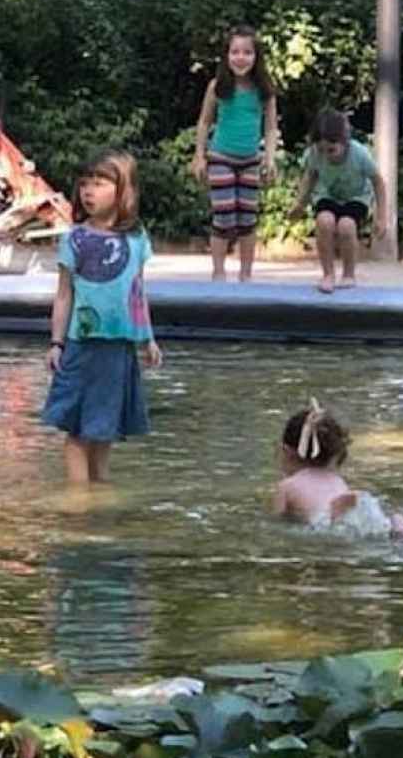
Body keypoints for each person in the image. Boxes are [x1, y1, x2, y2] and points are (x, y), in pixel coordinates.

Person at [40, 151, 162, 483]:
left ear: (123, 191)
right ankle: (79, 494)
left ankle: (101, 484)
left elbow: (138, 292)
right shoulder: (74, 239)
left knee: (105, 428)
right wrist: (57, 343)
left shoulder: (136, 239)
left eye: (99, 183)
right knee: (78, 427)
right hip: (82, 345)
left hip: (120, 347)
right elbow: (64, 294)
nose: (88, 192)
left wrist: (148, 338)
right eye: (84, 185)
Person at [190, 25, 279, 282]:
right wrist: (199, 155)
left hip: (250, 159)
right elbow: (205, 122)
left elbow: (271, 127)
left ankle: (246, 274)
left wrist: (270, 158)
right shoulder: (217, 87)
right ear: (227, 56)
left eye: (247, 52)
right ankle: (218, 272)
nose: (241, 58)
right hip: (221, 157)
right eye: (235, 52)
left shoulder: (264, 91)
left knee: (247, 218)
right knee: (224, 214)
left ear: (256, 57)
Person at [272, 400, 403, 537]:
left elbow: (278, 520)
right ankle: (396, 522)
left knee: (334, 524)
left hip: (326, 520)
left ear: (286, 451)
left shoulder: (287, 486)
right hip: (357, 508)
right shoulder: (336, 479)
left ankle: (339, 511)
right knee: (373, 525)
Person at [289, 109, 387, 293]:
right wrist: (300, 204)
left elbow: (378, 183)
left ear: (345, 142)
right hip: (327, 195)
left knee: (346, 226)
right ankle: (328, 274)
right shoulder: (314, 154)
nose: (327, 156)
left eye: (331, 150)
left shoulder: (359, 154)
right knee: (324, 221)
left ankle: (348, 274)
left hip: (356, 197)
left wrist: (381, 217)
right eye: (322, 150)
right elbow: (310, 176)